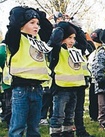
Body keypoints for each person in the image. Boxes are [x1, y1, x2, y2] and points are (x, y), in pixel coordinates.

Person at [4, 6, 53, 136]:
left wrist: (38, 15)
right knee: (18, 126)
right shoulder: (16, 39)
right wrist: (24, 12)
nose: (36, 26)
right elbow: (13, 24)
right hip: (21, 89)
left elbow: (49, 30)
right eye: (31, 23)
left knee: (34, 127)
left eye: (37, 24)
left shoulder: (38, 40)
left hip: (37, 88)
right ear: (21, 25)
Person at [48, 21, 87, 137]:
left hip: (74, 88)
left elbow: (84, 43)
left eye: (73, 38)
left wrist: (75, 27)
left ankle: (68, 133)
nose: (72, 41)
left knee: (69, 115)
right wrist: (61, 27)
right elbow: (54, 41)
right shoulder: (57, 50)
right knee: (58, 115)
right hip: (61, 88)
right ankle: (55, 133)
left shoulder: (76, 50)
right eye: (69, 38)